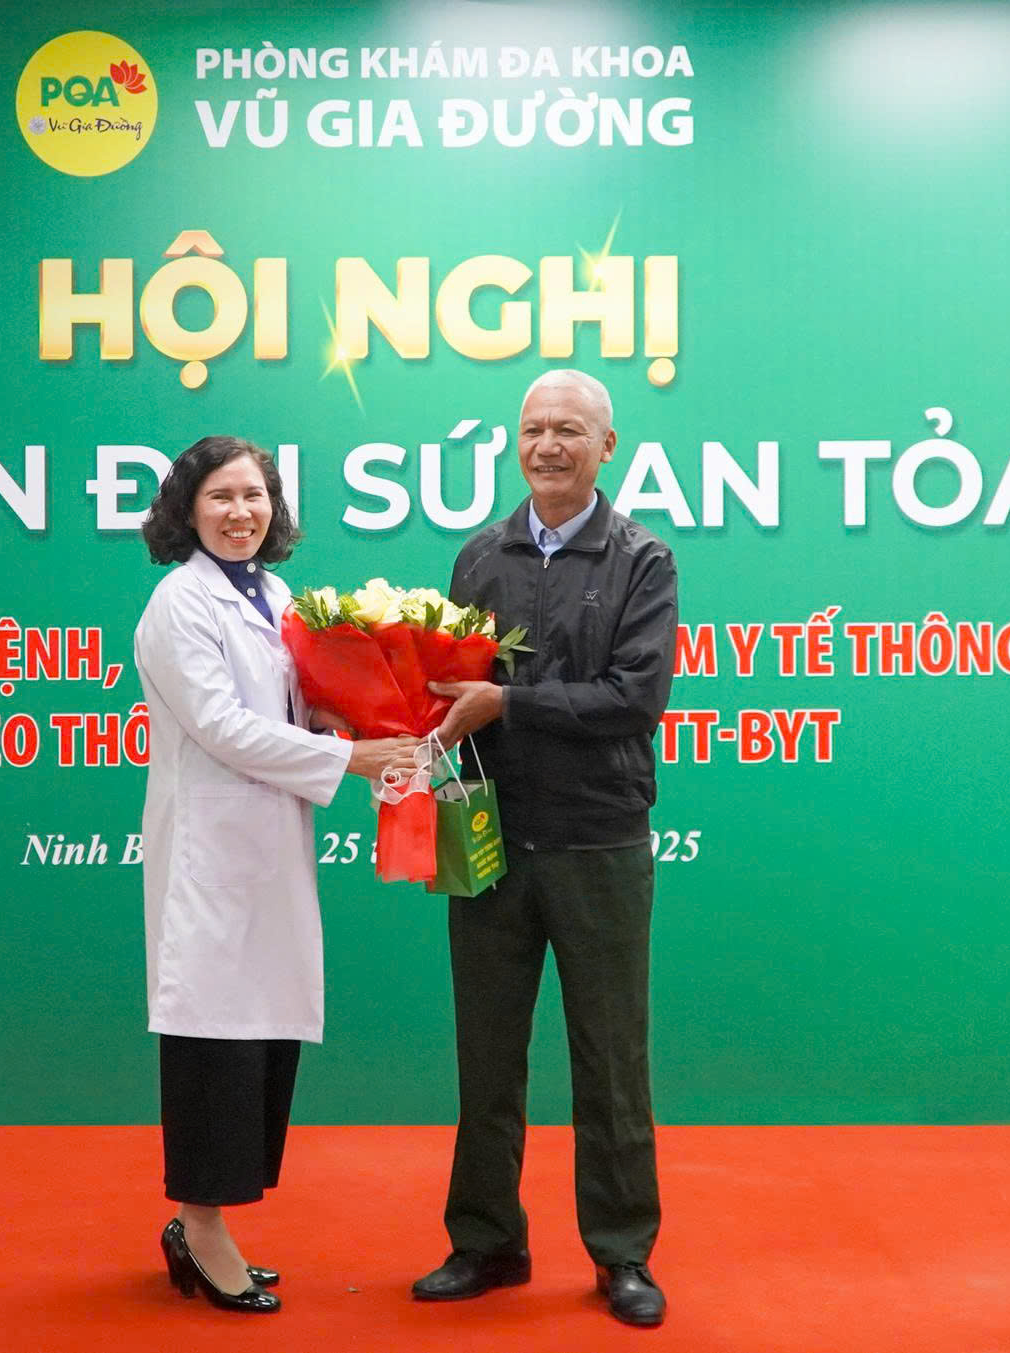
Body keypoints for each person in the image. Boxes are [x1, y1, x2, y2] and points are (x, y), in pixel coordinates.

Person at [131, 434, 420, 1315]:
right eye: (220, 496)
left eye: (254, 495)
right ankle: (199, 1225)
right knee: (213, 1039)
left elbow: (286, 703)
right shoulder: (179, 603)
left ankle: (206, 1222)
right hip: (212, 859)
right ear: (187, 508)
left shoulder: (275, 594)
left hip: (270, 850)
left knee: (259, 1036)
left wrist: (338, 716)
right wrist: (351, 759)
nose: (241, 512)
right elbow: (221, 725)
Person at [416, 370, 679, 1328]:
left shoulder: (643, 560)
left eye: (570, 429)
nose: (549, 445)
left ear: (608, 446)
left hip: (598, 840)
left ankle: (623, 1251)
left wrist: (508, 703)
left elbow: (633, 698)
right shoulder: (479, 556)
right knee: (486, 1054)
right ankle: (486, 1238)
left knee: (610, 1060)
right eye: (533, 429)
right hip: (491, 839)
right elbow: (449, 687)